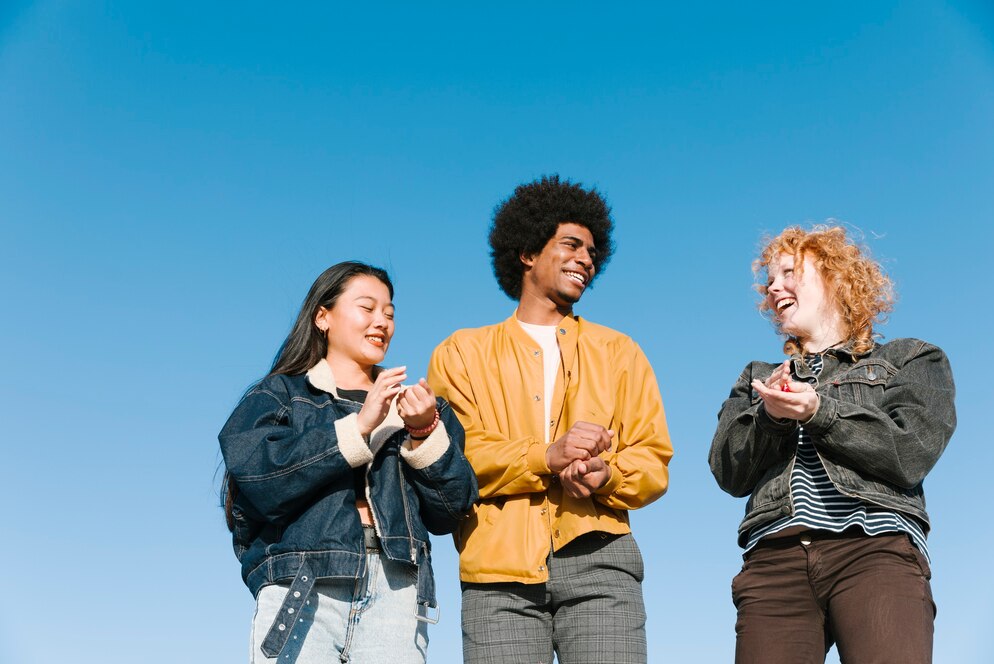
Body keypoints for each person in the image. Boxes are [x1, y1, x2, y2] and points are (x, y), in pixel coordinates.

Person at [428, 175, 674, 664]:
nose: (587, 258)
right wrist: (546, 456)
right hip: (497, 576)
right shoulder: (461, 353)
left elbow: (652, 458)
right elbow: (454, 459)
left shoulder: (620, 352)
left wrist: (607, 475)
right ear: (527, 252)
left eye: (593, 250)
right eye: (571, 244)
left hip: (602, 562)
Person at [709, 225, 956, 663]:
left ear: (835, 276)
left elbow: (911, 452)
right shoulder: (757, 377)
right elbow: (729, 472)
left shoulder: (910, 359)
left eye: (788, 272)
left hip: (873, 548)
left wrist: (818, 412)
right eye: (768, 281)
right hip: (775, 560)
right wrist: (771, 418)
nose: (773, 287)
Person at [219, 261, 478, 664]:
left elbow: (452, 511)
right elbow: (256, 477)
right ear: (323, 317)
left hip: (399, 590)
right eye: (367, 308)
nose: (382, 322)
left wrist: (425, 431)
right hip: (303, 583)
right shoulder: (282, 394)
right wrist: (357, 427)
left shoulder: (421, 409)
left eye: (389, 313)